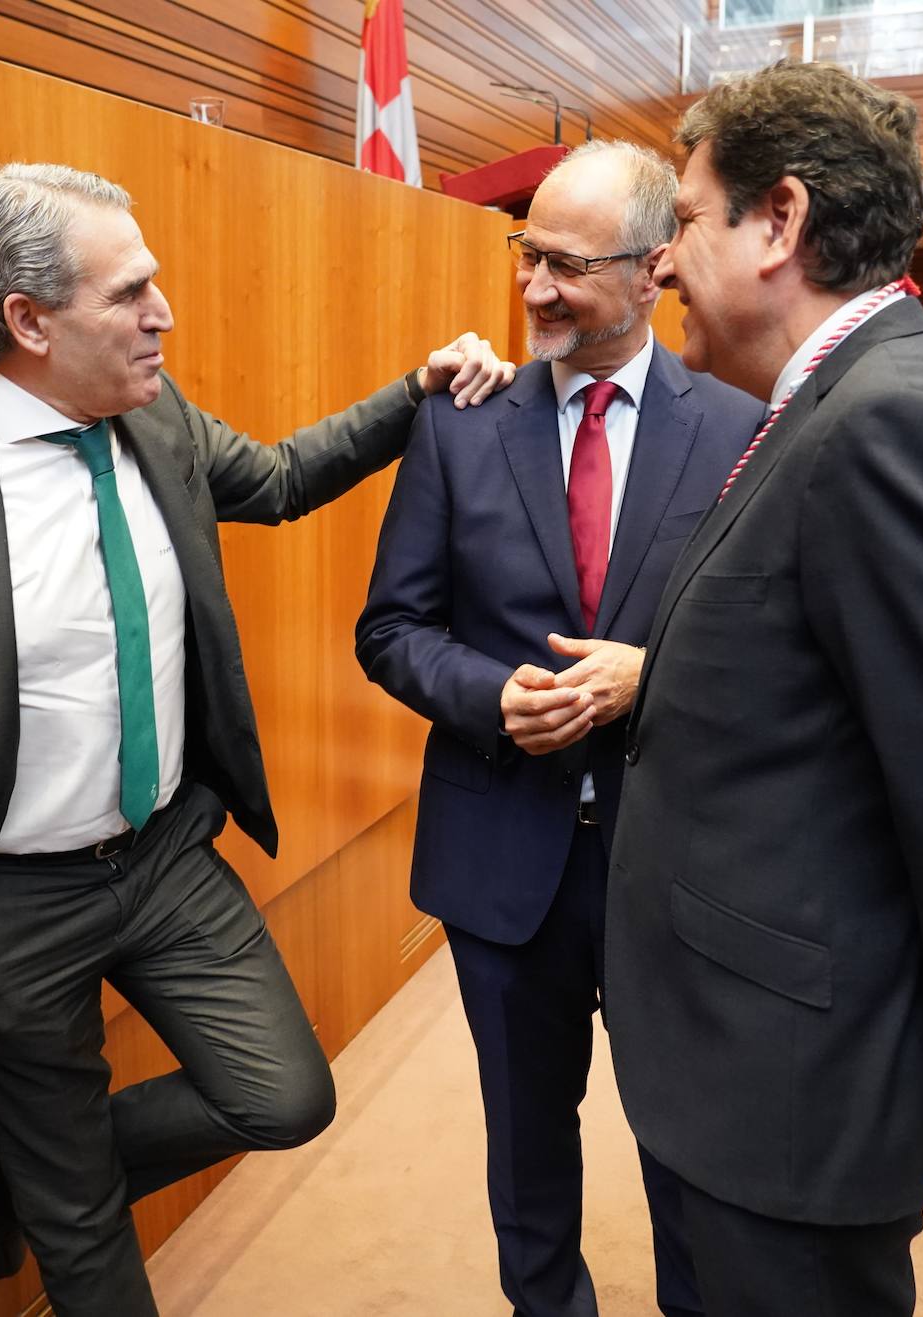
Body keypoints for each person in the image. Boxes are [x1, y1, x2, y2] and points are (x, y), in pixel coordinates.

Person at [0, 162, 513, 1317]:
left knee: (285, 1098)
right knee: (84, 1236)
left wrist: (420, 390)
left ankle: (41, 1157)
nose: (165, 314)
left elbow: (284, 477)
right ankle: (55, 1178)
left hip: (163, 862)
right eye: (132, 293)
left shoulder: (154, 417)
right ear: (29, 320)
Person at [602, 63, 923, 1315]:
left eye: (687, 222)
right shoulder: (836, 407)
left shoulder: (893, 427)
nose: (657, 267)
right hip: (735, 1070)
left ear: (781, 222)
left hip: (796, 1095)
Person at [356, 140, 763, 1316]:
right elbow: (391, 627)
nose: (532, 288)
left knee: (690, 1148)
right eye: (525, 254)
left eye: (566, 266)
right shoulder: (460, 422)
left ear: (654, 270)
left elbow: (773, 647)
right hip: (503, 867)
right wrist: (491, 697)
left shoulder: (742, 431)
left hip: (674, 866)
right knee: (530, 1151)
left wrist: (657, 676)